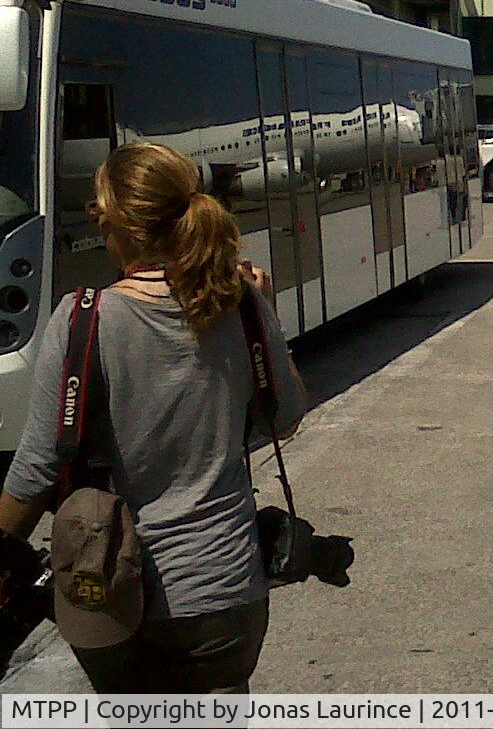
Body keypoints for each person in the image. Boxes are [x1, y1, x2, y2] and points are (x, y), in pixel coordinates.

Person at [0, 142, 306, 694]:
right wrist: (270, 314)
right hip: (233, 595)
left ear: (120, 224)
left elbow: (38, 470)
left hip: (120, 600)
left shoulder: (82, 320)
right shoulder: (242, 303)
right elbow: (283, 418)